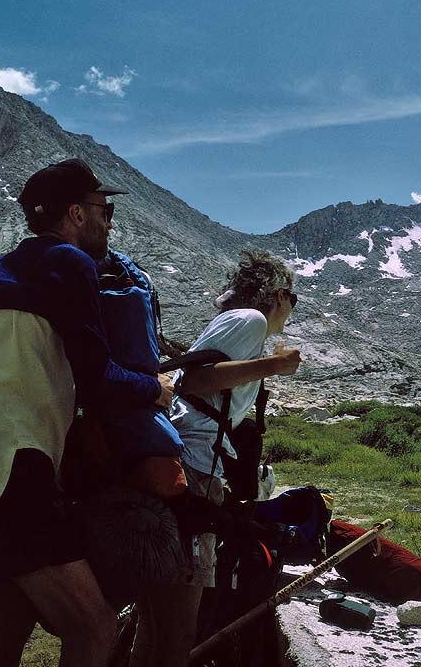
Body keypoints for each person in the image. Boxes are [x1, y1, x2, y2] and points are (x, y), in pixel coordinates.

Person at [0, 158, 173, 667]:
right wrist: (154, 389)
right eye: (104, 209)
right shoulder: (70, 264)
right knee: (93, 627)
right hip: (7, 467)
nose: (108, 221)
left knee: (8, 622)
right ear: (76, 212)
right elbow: (98, 382)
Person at [128, 249, 301, 667]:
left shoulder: (236, 322)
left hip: (182, 459)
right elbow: (196, 380)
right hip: (193, 465)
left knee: (157, 614)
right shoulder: (251, 321)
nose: (291, 310)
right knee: (180, 617)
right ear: (277, 295)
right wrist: (273, 366)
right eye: (292, 300)